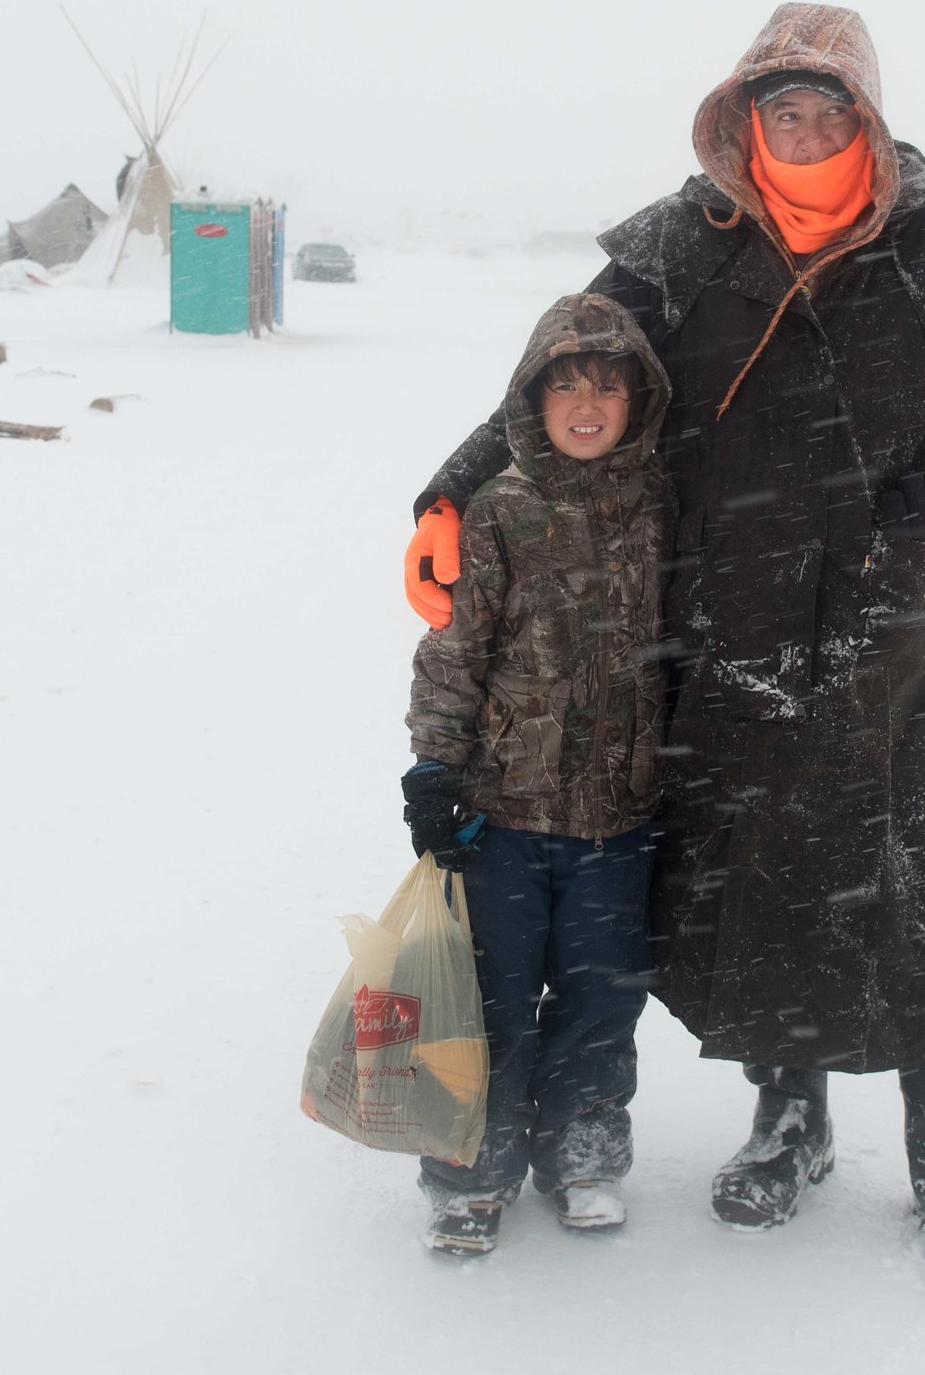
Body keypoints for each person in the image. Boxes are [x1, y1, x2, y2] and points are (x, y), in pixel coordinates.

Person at [403, 4, 925, 1294]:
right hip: (719, 621)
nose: (801, 130)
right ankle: (791, 1123)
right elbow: (560, 370)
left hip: (890, 635)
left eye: (826, 108)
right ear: (743, 119)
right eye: (778, 108)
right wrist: (446, 497)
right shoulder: (684, 249)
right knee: (772, 877)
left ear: (869, 120)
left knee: (912, 888)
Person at [400, 292, 674, 1255]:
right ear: (533, 398)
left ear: (639, 399)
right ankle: (471, 1173)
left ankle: (583, 1153)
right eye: (567, 387)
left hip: (619, 818)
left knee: (601, 999)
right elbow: (455, 649)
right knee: (490, 998)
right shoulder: (503, 508)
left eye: (608, 386)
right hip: (503, 816)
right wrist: (433, 766)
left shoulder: (664, 505)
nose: (588, 404)